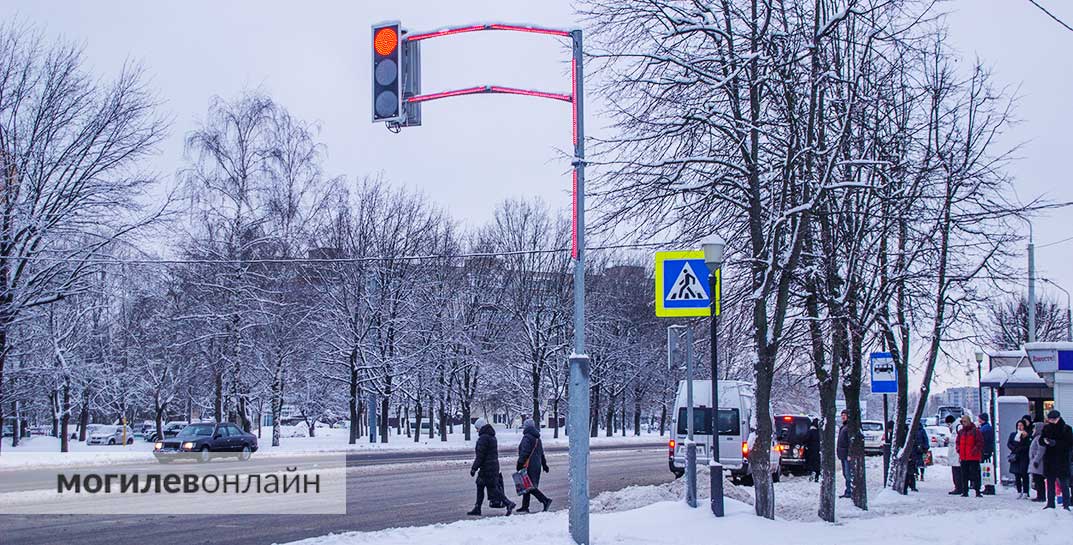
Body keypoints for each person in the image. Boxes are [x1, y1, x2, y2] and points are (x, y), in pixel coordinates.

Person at [467, 417, 515, 516]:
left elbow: (480, 455)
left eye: (477, 428)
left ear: (481, 427)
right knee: (480, 485)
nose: (476, 430)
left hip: (487, 467)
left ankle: (508, 503)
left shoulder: (483, 438)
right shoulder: (492, 436)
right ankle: (477, 507)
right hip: (492, 466)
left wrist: (474, 468)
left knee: (492, 489)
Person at [516, 418, 552, 513]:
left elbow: (525, 452)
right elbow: (541, 453)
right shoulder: (537, 438)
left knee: (529, 486)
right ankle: (525, 506)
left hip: (528, 465)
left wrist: (520, 463)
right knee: (526, 485)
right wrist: (544, 465)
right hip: (536, 465)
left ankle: (545, 500)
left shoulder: (527, 437)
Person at [1040, 410, 1073, 510]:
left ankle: (1066, 504)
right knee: (1050, 483)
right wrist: (1045, 441)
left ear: (1058, 418)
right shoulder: (1046, 428)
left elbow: (1069, 444)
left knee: (1064, 483)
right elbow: (1041, 440)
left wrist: (1055, 443)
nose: (1051, 421)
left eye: (1053, 419)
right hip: (1050, 460)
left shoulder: (1066, 429)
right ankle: (1050, 503)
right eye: (1050, 419)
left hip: (1062, 459)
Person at [955, 414, 983, 497]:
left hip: (973, 457)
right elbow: (957, 442)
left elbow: (980, 442)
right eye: (962, 422)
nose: (964, 423)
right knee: (964, 475)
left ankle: (977, 491)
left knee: (975, 475)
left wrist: (974, 450)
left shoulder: (975, 431)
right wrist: (958, 449)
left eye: (965, 421)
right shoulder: (961, 432)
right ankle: (965, 491)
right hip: (964, 456)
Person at [1007, 419, 1032, 499]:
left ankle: (1025, 491)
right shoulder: (1013, 434)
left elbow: (1028, 446)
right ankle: (1018, 490)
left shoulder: (1027, 435)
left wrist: (1021, 447)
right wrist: (1014, 448)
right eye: (1018, 425)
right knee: (1016, 474)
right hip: (1015, 457)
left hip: (1024, 456)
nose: (1019, 427)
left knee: (1024, 474)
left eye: (1021, 425)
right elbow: (1009, 443)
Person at [906, 422, 929, 492]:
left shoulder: (912, 430)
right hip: (920, 449)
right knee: (920, 463)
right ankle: (919, 474)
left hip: (916, 450)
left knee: (916, 463)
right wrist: (926, 447)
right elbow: (926, 439)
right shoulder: (922, 430)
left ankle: (918, 474)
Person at [1028, 420, 1047, 502]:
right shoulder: (1036, 438)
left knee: (1039, 480)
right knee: (1037, 479)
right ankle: (1039, 495)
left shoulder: (1039, 438)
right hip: (1036, 462)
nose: (1033, 430)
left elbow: (1040, 450)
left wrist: (1036, 460)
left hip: (1038, 463)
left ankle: (1041, 496)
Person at [945, 415, 963, 495]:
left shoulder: (958, 427)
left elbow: (959, 439)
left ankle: (959, 487)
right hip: (955, 454)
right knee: (956, 470)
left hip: (957, 454)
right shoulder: (956, 427)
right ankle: (958, 487)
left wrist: (950, 440)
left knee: (957, 471)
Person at [836, 410, 851, 498]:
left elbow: (850, 442)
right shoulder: (843, 427)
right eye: (842, 415)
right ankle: (848, 490)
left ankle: (849, 491)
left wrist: (849, 454)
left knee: (848, 473)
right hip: (843, 454)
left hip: (846, 455)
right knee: (845, 474)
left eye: (844, 415)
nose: (843, 417)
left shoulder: (848, 428)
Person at [805, 418, 821, 482]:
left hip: (811, 449)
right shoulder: (820, 432)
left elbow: (806, 439)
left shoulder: (811, 431)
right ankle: (817, 475)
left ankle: (812, 472)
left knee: (811, 462)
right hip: (818, 450)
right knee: (817, 462)